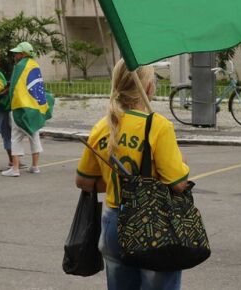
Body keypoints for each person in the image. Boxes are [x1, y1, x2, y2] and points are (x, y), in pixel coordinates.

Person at [76, 59, 189, 289]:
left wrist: (114, 180)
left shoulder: (102, 126)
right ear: (148, 87)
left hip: (113, 221)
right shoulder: (158, 126)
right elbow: (178, 184)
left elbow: (84, 181)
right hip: (152, 223)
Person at [2, 42, 49, 177]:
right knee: (34, 135)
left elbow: (14, 88)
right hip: (34, 107)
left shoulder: (19, 66)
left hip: (20, 106)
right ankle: (35, 166)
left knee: (16, 137)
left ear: (23, 54)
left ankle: (15, 168)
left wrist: (9, 101)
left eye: (17, 53)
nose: (15, 55)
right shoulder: (35, 65)